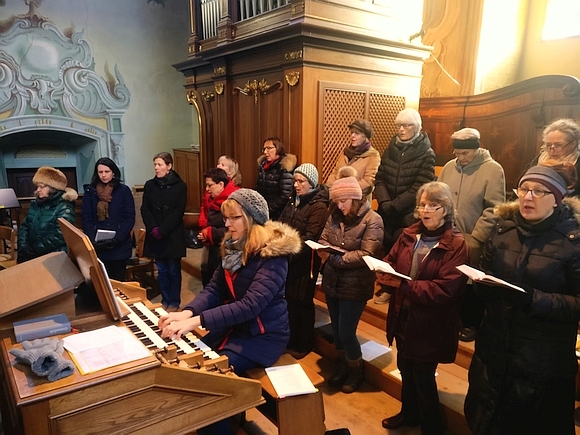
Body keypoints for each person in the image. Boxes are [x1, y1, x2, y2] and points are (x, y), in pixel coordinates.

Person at [158, 189, 301, 435]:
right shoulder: (234, 246)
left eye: (234, 217)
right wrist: (187, 313)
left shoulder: (273, 257)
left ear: (252, 219)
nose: (227, 224)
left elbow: (250, 306)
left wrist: (197, 321)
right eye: (226, 218)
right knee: (190, 367)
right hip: (235, 329)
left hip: (263, 336)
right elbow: (215, 289)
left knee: (211, 383)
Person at [464, 162, 580, 435]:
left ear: (557, 199)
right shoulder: (503, 230)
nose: (528, 197)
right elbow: (485, 271)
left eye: (539, 191)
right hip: (494, 347)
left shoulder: (573, 242)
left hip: (541, 359)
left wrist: (533, 299)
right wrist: (482, 286)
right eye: (524, 189)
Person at [378, 181, 468, 434]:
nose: (425, 210)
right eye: (422, 205)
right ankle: (409, 414)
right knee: (405, 368)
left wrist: (403, 285)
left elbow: (446, 290)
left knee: (423, 376)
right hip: (403, 314)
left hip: (431, 321)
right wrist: (383, 271)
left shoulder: (457, 244)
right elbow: (391, 260)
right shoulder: (408, 235)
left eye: (433, 205)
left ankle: (432, 426)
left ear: (446, 209)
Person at [318, 166, 384, 394]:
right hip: (333, 281)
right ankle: (342, 366)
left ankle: (356, 370)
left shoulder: (373, 220)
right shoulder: (335, 216)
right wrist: (332, 254)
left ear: (355, 198)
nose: (340, 206)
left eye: (343, 201)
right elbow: (323, 240)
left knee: (347, 332)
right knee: (336, 331)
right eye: (336, 201)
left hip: (356, 284)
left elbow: (366, 254)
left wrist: (333, 257)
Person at [437, 128, 505, 342]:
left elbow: (495, 208)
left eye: (465, 153)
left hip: (473, 237)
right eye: (457, 153)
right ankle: (450, 318)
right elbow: (438, 195)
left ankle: (470, 323)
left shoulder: (492, 169)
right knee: (448, 278)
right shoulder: (449, 167)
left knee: (471, 282)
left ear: (476, 148)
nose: (461, 157)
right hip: (448, 233)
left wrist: (476, 237)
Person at [373, 107, 436, 303]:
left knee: (402, 251)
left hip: (408, 211)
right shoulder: (391, 148)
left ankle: (396, 289)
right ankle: (385, 284)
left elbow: (421, 185)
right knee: (386, 246)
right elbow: (380, 177)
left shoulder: (426, 152)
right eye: (399, 125)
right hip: (387, 207)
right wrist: (384, 201)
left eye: (407, 125)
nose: (401, 129)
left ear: (416, 127)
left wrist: (396, 205)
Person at [279, 163, 330, 359]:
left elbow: (310, 237)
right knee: (290, 302)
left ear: (312, 183)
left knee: (302, 303)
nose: (296, 185)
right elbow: (281, 225)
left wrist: (286, 252)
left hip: (304, 261)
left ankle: (304, 344)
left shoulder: (318, 206)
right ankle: (291, 339)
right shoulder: (293, 200)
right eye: (295, 181)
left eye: (301, 181)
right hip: (288, 258)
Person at [141, 152, 187, 312]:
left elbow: (178, 211)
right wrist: (153, 228)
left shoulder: (180, 186)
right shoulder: (150, 185)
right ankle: (165, 299)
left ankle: (174, 301)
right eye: (155, 164)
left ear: (169, 166)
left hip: (172, 235)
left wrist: (163, 229)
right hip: (155, 235)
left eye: (159, 164)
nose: (156, 167)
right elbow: (145, 209)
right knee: (161, 270)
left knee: (173, 270)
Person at [82, 157, 135, 281]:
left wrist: (117, 239)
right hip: (98, 246)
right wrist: (93, 240)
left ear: (113, 172)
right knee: (101, 284)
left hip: (119, 246)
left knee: (118, 283)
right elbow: (86, 219)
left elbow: (129, 218)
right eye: (100, 172)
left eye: (107, 171)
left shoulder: (123, 191)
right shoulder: (90, 191)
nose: (104, 175)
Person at [17, 166, 78, 263]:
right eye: (37, 186)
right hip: (33, 254)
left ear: (53, 188)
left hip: (55, 257)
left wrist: (36, 249)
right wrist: (24, 247)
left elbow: (60, 235)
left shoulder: (64, 206)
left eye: (41, 187)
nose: (38, 190)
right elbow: (24, 227)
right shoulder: (35, 204)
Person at [514, 118, 580, 198]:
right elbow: (518, 190)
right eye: (548, 145)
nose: (552, 150)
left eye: (558, 145)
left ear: (573, 144)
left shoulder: (577, 165)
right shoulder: (539, 160)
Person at [197, 167, 239, 286]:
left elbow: (234, 230)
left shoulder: (233, 202)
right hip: (215, 247)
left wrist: (210, 232)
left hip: (228, 252)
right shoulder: (213, 199)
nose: (207, 189)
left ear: (221, 184)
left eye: (210, 185)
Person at [326, 119, 381, 199]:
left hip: (358, 201)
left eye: (357, 133)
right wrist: (330, 189)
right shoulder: (345, 152)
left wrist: (346, 192)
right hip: (338, 199)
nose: (352, 135)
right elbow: (335, 172)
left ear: (365, 137)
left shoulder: (373, 156)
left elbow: (369, 182)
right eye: (352, 132)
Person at [255, 137, 297, 220]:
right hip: (263, 211)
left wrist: (268, 209)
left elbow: (285, 196)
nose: (265, 152)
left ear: (278, 148)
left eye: (269, 148)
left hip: (278, 214)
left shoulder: (284, 167)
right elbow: (258, 188)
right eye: (264, 149)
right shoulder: (263, 166)